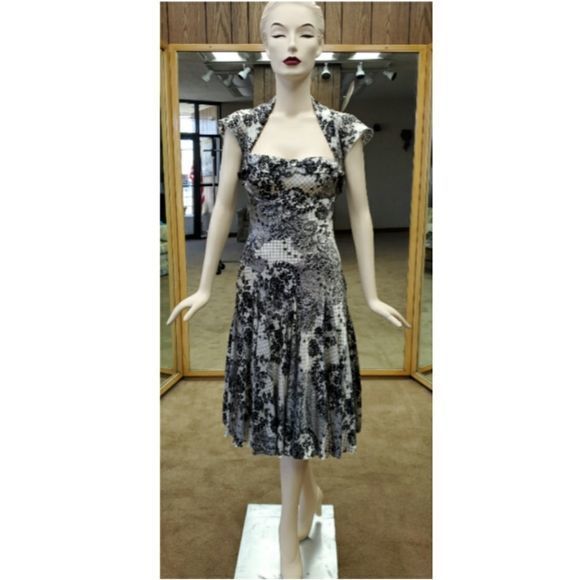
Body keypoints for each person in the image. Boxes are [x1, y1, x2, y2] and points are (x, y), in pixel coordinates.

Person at [167, 2, 411, 577]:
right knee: (280, 401)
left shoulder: (343, 129)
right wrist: (204, 287)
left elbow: (361, 212)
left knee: (306, 401)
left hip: (319, 293)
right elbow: (222, 205)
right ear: (264, 45)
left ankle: (287, 536)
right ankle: (305, 497)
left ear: (322, 44)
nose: (292, 43)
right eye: (279, 33)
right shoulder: (242, 127)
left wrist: (372, 294)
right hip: (261, 291)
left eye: (305, 33)